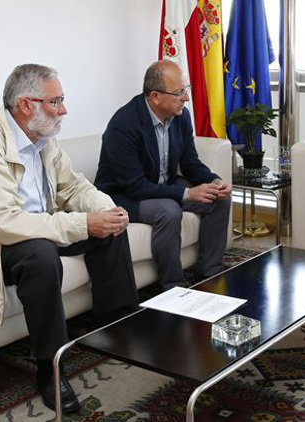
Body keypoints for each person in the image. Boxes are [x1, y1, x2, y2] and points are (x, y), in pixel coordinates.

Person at [0, 64, 140, 413]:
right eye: (56, 101)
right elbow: (1, 223)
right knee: (41, 255)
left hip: (34, 227)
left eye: (62, 100)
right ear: (27, 105)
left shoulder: (43, 139)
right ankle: (50, 367)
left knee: (108, 229)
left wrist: (106, 210)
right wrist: (81, 224)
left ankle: (116, 326)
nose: (63, 110)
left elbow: (73, 186)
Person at [95, 60, 231, 290]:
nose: (186, 98)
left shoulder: (181, 116)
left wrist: (213, 181)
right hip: (123, 196)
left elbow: (190, 163)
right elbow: (136, 187)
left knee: (218, 198)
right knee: (168, 210)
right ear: (155, 96)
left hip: (159, 185)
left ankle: (210, 273)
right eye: (179, 93)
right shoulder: (124, 125)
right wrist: (187, 193)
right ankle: (173, 287)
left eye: (185, 90)